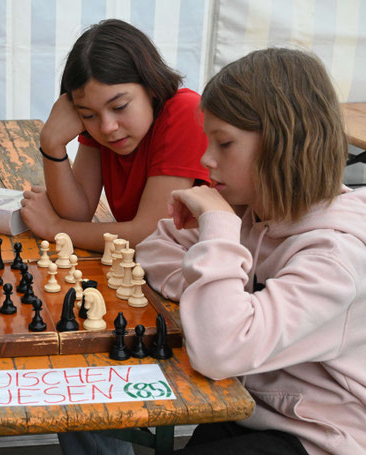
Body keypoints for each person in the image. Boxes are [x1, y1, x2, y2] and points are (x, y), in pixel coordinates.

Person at [135, 48, 366, 454]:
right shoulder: (255, 209)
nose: (206, 159)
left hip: (320, 436)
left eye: (224, 143)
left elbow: (219, 351)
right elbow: (154, 247)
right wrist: (216, 299)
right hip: (247, 407)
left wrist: (218, 231)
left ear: (283, 145)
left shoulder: (336, 255)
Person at [20, 19, 209, 252]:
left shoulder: (185, 111)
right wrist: (51, 143)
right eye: (88, 115)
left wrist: (56, 228)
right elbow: (77, 214)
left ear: (151, 85)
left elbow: (151, 233)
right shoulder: (102, 128)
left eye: (119, 107)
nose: (107, 127)